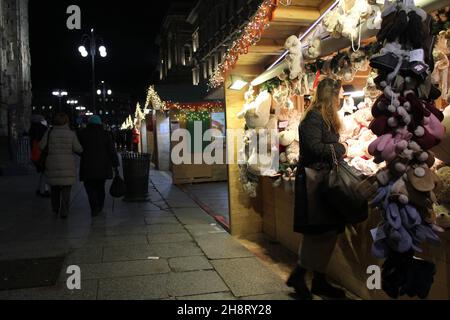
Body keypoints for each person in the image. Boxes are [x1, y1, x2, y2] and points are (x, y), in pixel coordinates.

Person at [287, 78, 348, 300]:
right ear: (330, 96)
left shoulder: (325, 117)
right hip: (314, 182)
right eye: (338, 95)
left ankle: (318, 280)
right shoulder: (314, 116)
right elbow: (314, 147)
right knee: (318, 231)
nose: (340, 99)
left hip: (323, 180)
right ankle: (300, 274)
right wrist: (341, 147)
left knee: (327, 230)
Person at [40, 113, 83, 219]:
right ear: (66, 121)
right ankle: (64, 211)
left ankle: (55, 208)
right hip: (67, 165)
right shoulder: (71, 134)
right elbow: (78, 149)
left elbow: (41, 146)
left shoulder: (49, 133)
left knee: (54, 188)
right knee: (66, 190)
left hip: (52, 163)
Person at [78, 115, 119, 216]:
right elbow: (111, 151)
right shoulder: (105, 134)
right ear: (100, 123)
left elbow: (78, 149)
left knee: (90, 187)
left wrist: (84, 154)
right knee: (100, 187)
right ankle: (100, 206)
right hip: (103, 166)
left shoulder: (83, 134)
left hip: (87, 166)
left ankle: (94, 207)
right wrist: (115, 164)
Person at [29, 115, 50, 197]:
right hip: (42, 154)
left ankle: (40, 189)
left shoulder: (32, 129)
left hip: (35, 154)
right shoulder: (42, 129)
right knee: (45, 172)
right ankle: (45, 190)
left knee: (43, 172)